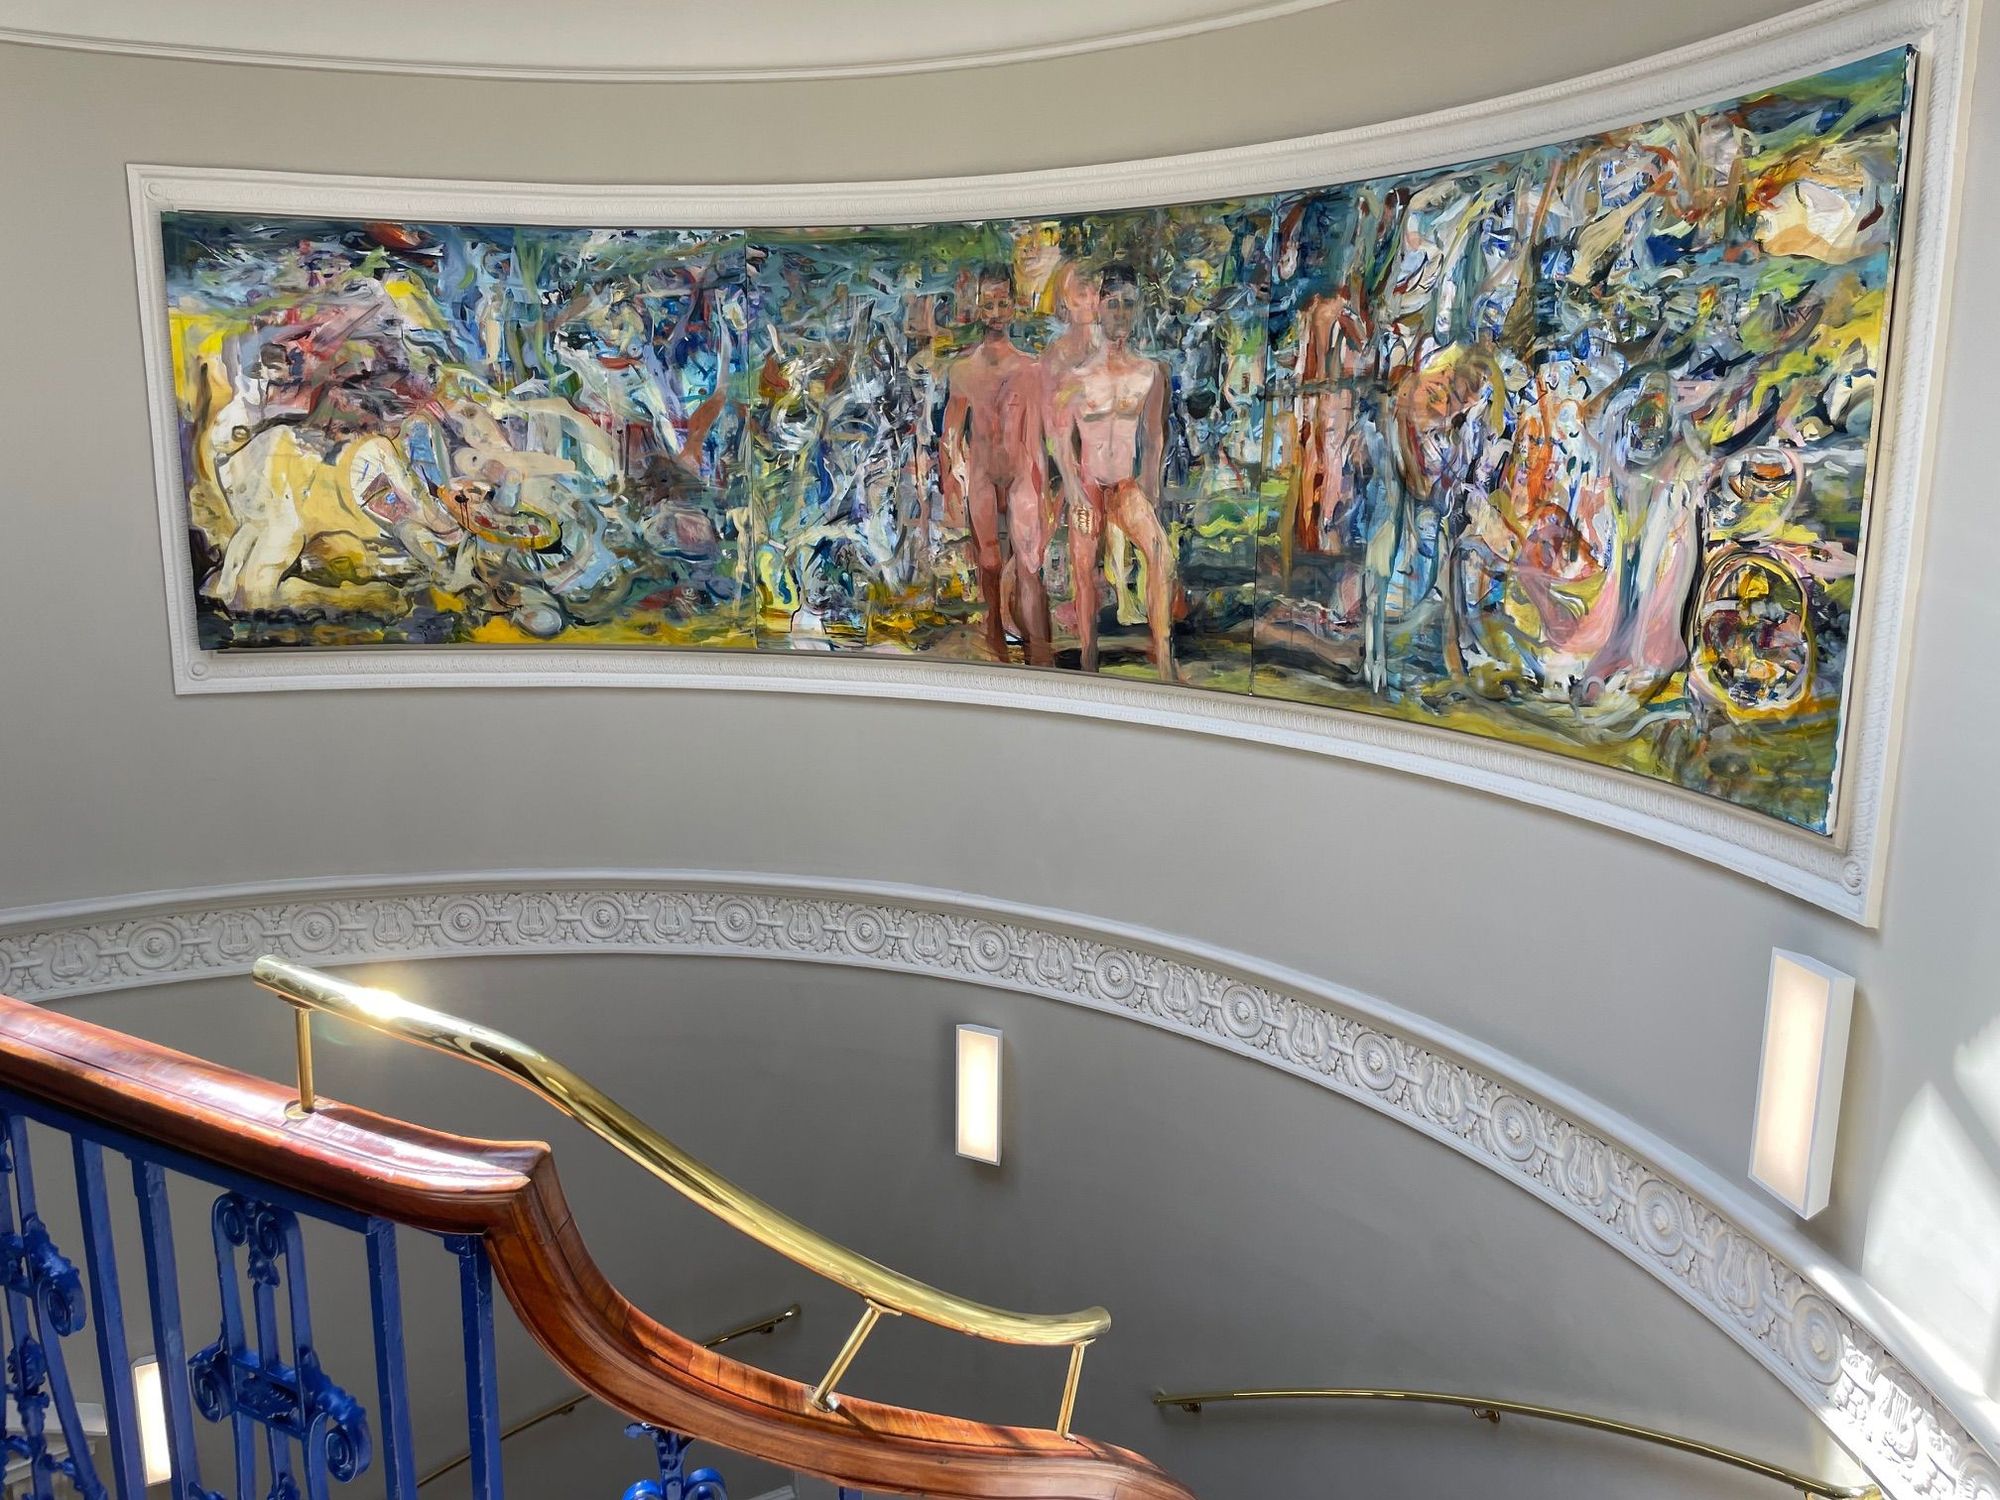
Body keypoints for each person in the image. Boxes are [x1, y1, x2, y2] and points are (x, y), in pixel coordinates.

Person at [1047, 264, 1177, 681]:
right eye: (1113, 303)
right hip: (1088, 485)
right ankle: (1089, 658)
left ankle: (1164, 658)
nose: (1120, 313)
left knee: (1160, 555)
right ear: (1099, 307)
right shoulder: (1076, 377)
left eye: (1128, 304)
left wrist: (1150, 489)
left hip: (1124, 485)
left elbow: (1154, 436)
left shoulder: (1149, 373)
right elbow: (1060, 441)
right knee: (1083, 570)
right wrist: (1074, 493)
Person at [940, 267, 1053, 665]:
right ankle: (996, 641)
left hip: (1021, 471)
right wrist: (950, 481)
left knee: (1028, 564)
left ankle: (1040, 651)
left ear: (1014, 305)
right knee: (988, 562)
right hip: (983, 473)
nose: (996, 312)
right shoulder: (963, 369)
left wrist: (1043, 491)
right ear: (977, 307)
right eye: (988, 304)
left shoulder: (1031, 368)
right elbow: (951, 433)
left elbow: (1036, 437)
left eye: (1003, 303)